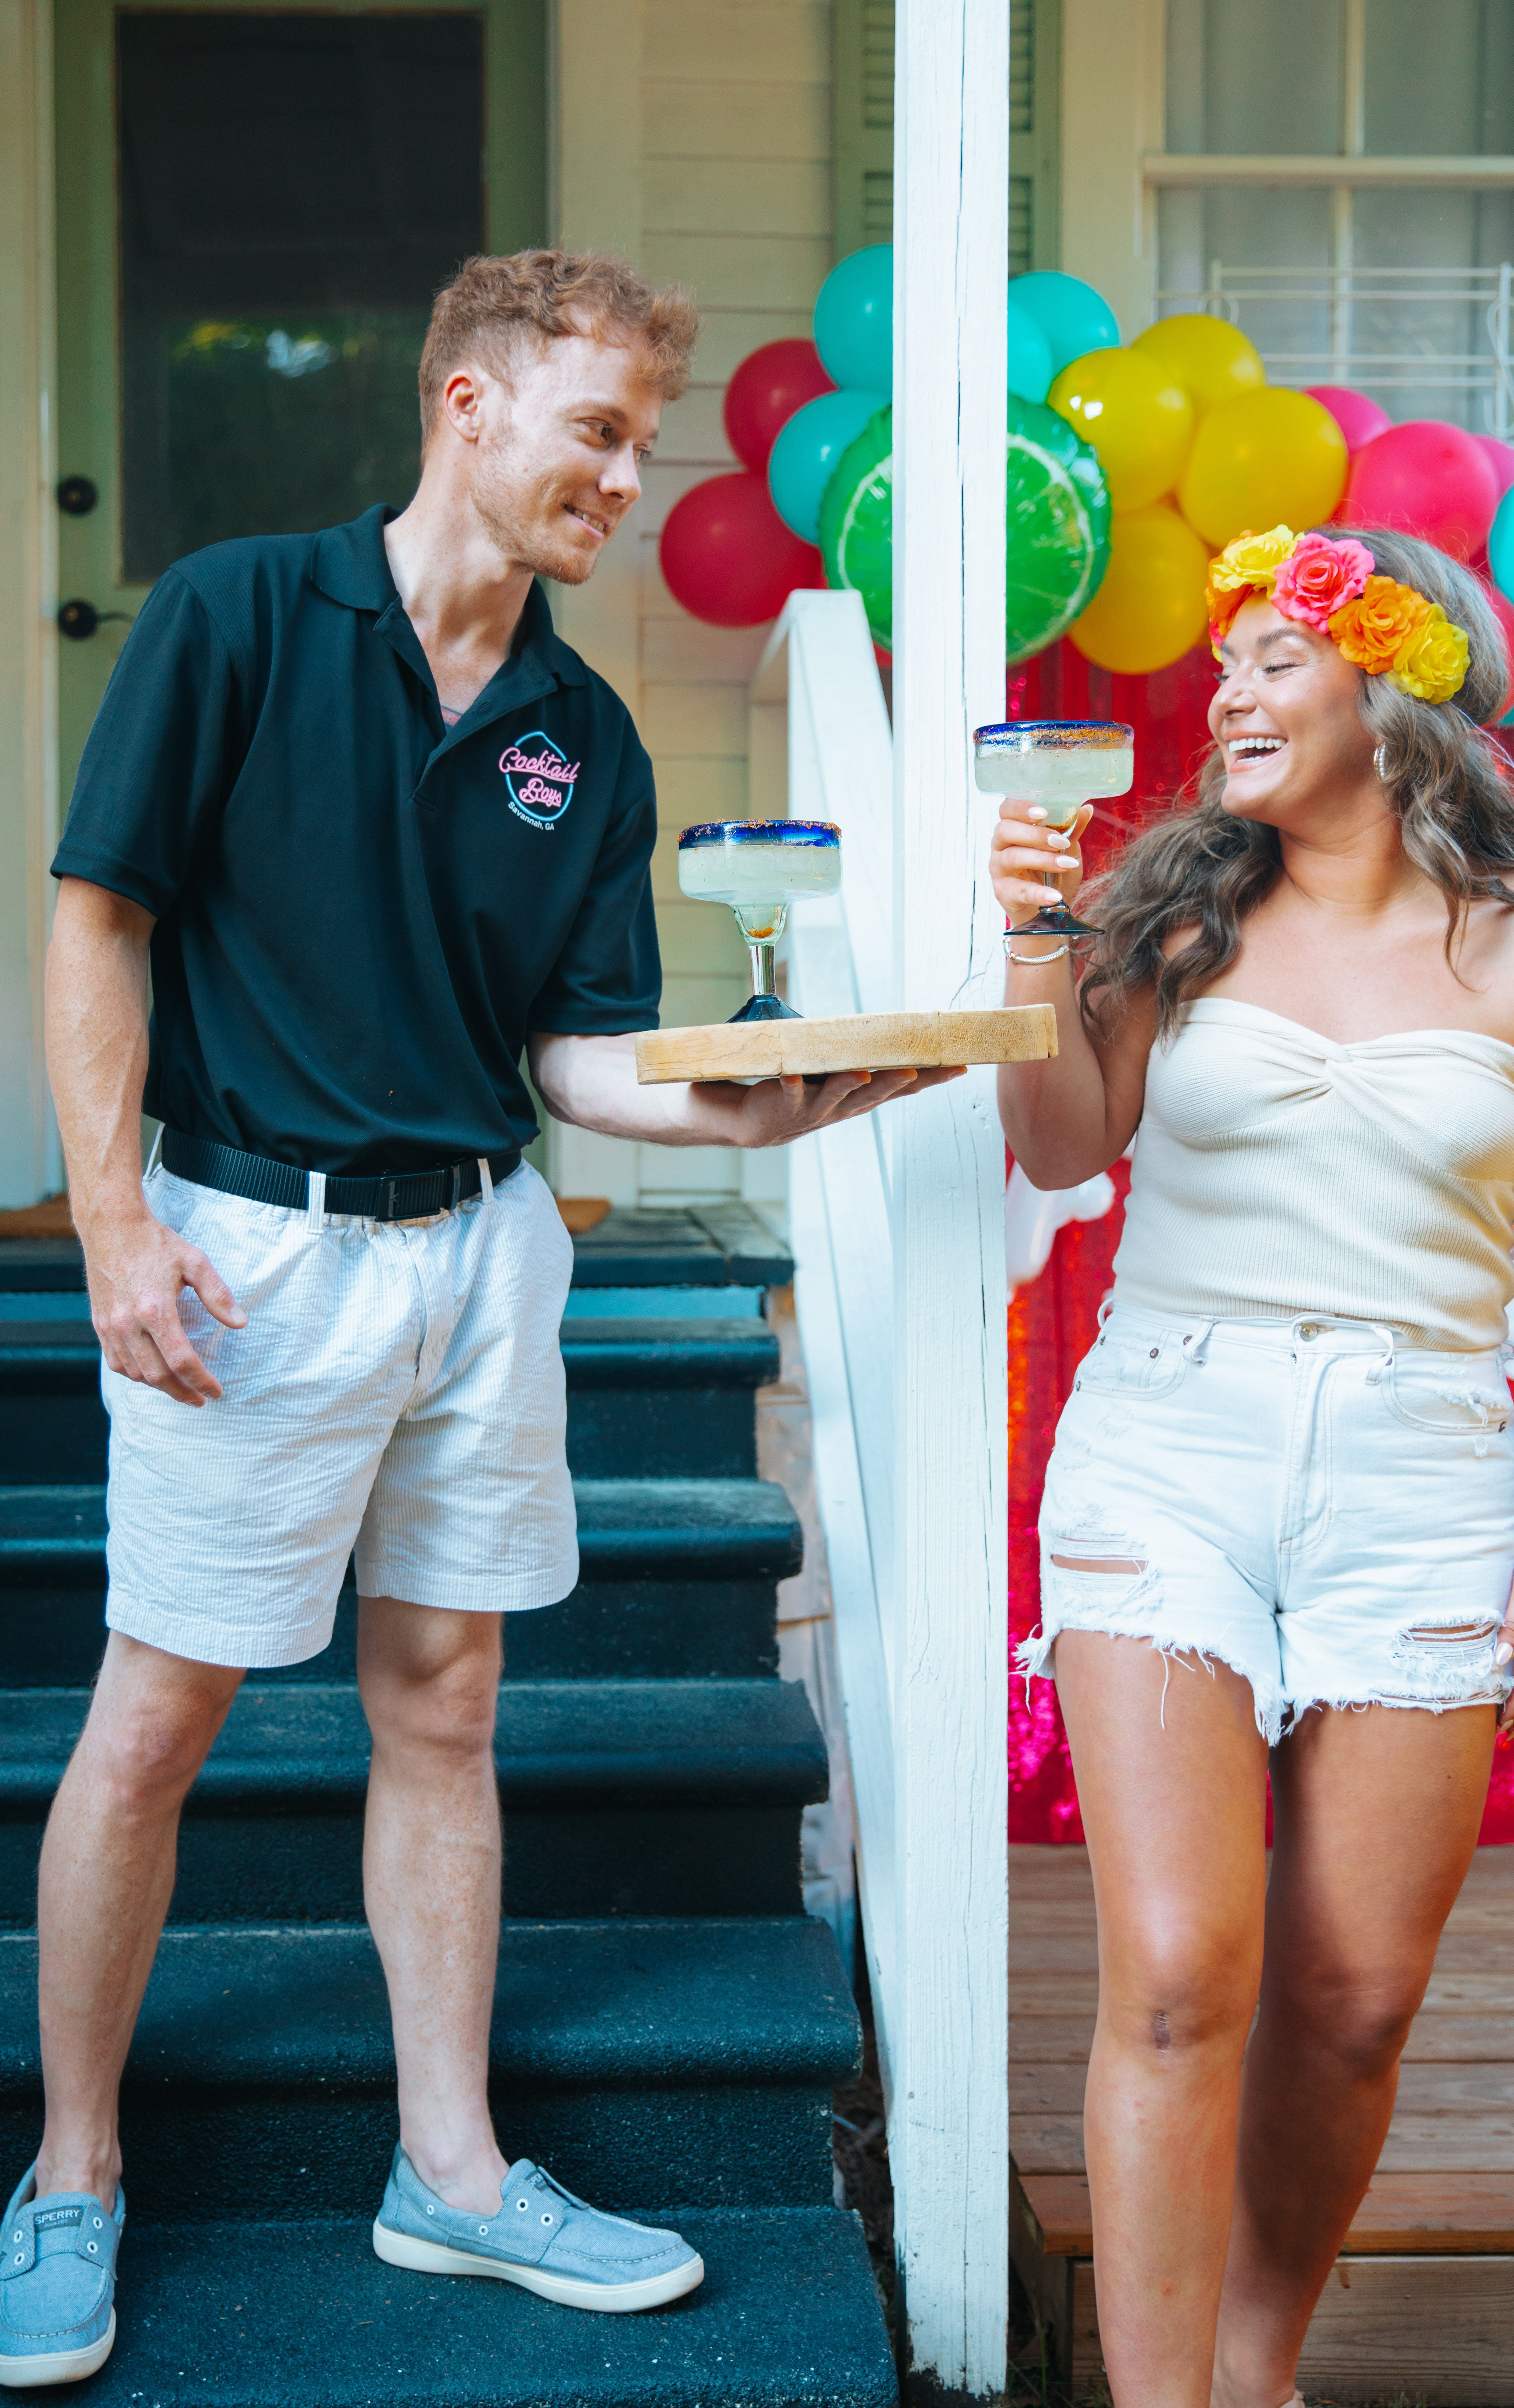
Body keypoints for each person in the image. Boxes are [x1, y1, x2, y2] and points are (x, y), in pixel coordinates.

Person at [5, 246, 957, 2390]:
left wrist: (798, 1094)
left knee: (443, 1706)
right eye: (599, 432)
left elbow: (588, 1061)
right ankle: (69, 2178)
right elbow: (101, 925)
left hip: (482, 1254)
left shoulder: (583, 735)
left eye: (646, 447)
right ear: (467, 402)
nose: (628, 480)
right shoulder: (239, 616)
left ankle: (448, 2170)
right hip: (251, 1245)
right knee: (157, 1722)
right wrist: (110, 1231)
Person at [991, 523, 1514, 2408]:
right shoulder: (1171, 917)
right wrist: (1037, 941)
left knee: (1352, 2000)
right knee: (1187, 1971)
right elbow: (1056, 1145)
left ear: (1397, 683)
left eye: (1277, 659)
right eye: (1226, 668)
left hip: (1425, 1465)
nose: (1231, 696)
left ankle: (1255, 2371)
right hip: (1166, 1444)